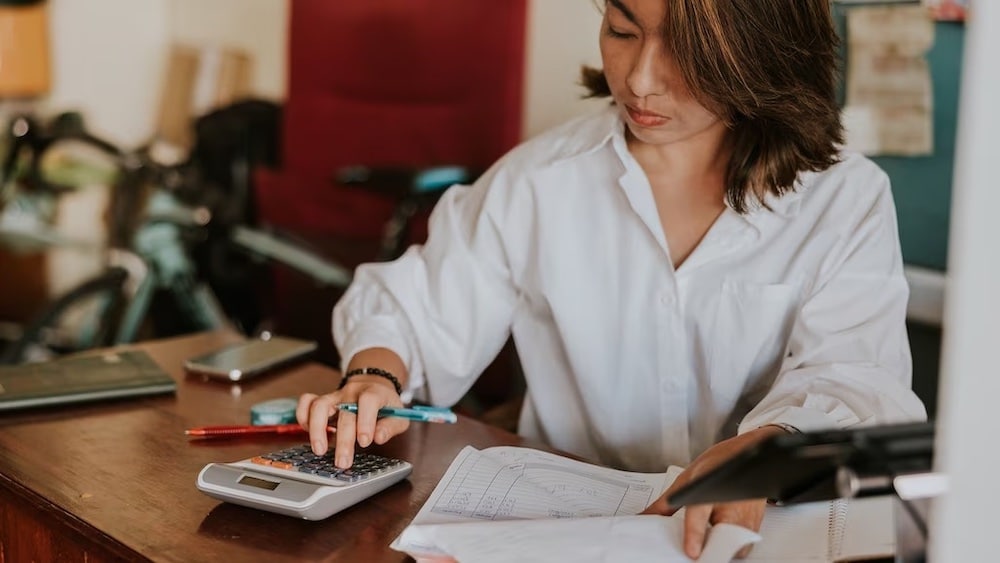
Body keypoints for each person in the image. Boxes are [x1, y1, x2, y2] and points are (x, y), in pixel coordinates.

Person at [297, 0, 927, 558]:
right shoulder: (541, 179)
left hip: (759, 534)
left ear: (763, 50)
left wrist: (768, 445)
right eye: (622, 30)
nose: (641, 79)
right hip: (567, 532)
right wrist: (375, 375)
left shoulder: (843, 196)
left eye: (687, 49)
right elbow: (418, 306)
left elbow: (856, 376)